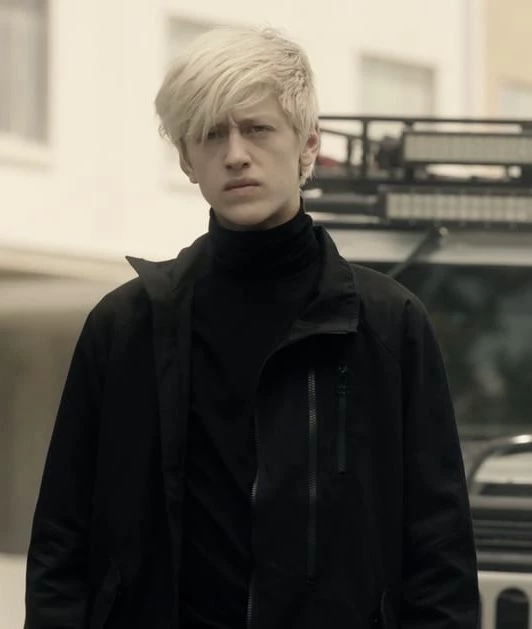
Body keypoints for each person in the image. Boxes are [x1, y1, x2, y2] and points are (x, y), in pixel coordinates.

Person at [25, 25, 479, 629]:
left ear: (308, 145)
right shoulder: (125, 325)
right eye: (211, 133)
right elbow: (62, 541)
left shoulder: (388, 325)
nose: (235, 154)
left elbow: (439, 554)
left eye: (258, 129)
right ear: (186, 160)